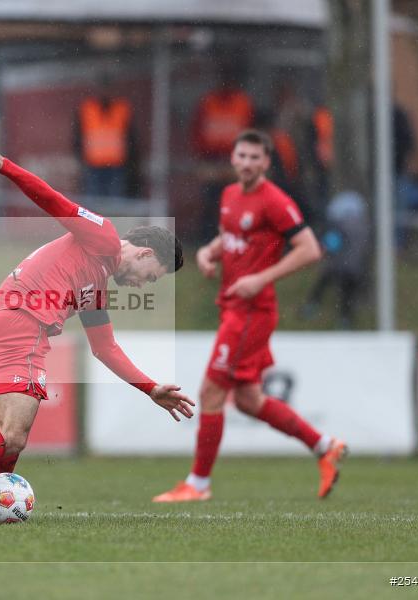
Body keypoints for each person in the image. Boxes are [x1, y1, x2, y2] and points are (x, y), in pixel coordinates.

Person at [0, 144, 193, 525]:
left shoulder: (96, 287)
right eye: (151, 277)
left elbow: (105, 349)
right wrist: (6, 167)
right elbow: (53, 200)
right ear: (146, 254)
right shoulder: (103, 237)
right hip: (24, 324)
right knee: (13, 435)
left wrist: (150, 388)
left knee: (5, 432)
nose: (143, 286)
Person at [153, 129, 346, 504]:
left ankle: (198, 484)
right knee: (248, 401)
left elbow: (309, 250)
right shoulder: (229, 195)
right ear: (233, 158)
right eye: (241, 156)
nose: (246, 163)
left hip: (252, 313)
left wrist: (261, 278)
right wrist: (210, 252)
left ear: (266, 163)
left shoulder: (274, 201)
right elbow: (230, 238)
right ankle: (325, 446)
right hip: (234, 307)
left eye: (254, 158)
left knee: (210, 392)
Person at [191, 66, 255, 243]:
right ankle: (208, 238)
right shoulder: (209, 101)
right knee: (211, 202)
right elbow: (198, 131)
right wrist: (202, 156)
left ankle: (234, 238)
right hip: (211, 160)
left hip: (235, 161)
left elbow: (250, 133)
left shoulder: (243, 103)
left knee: (235, 202)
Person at [301, 191, 370, 329]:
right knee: (348, 293)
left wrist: (321, 249)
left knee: (325, 282)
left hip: (338, 265)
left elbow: (331, 243)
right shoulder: (363, 227)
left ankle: (313, 304)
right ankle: (345, 320)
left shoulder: (339, 226)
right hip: (355, 267)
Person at [74, 85, 136, 199]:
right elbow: (77, 136)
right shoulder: (88, 109)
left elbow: (131, 137)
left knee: (114, 202)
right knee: (94, 205)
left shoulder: (121, 109)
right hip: (93, 165)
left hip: (116, 165)